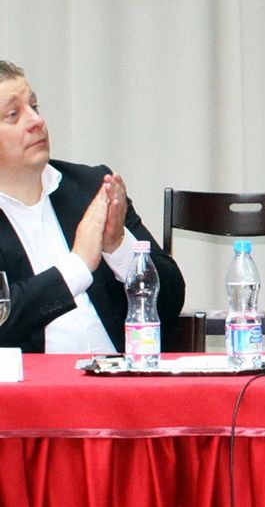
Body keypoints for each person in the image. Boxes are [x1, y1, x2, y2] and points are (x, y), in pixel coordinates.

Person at [0, 60, 184, 352]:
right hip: (30, 381)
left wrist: (118, 245)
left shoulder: (91, 187)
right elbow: (4, 318)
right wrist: (78, 265)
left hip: (117, 373)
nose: (36, 121)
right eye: (13, 114)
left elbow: (171, 301)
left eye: (34, 106)